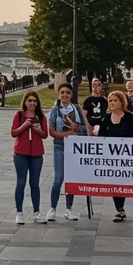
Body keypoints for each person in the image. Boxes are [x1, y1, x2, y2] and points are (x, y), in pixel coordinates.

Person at [95, 90, 133, 222]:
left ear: (122, 102)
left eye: (115, 100)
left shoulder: (130, 118)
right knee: (114, 182)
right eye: (110, 101)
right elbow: (101, 138)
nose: (112, 103)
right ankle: (119, 209)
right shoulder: (105, 119)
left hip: (126, 157)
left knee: (122, 182)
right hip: (110, 159)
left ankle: (120, 207)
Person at [48, 83, 86, 221]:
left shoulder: (76, 109)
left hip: (73, 148)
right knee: (58, 179)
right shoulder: (55, 110)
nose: (65, 95)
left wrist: (77, 128)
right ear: (58, 94)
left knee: (70, 179)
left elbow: (83, 129)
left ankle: (69, 209)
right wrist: (68, 133)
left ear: (71, 95)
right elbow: (51, 131)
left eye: (68, 93)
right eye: (62, 92)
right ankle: (52, 208)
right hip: (59, 146)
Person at [11, 90, 48, 225]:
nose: (32, 103)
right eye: (30, 101)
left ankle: (36, 212)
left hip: (36, 154)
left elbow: (45, 135)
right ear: (25, 102)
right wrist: (24, 125)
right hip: (21, 153)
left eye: (34, 101)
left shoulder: (41, 116)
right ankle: (19, 213)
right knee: (21, 183)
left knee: (35, 184)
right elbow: (13, 132)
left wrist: (38, 129)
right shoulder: (19, 115)